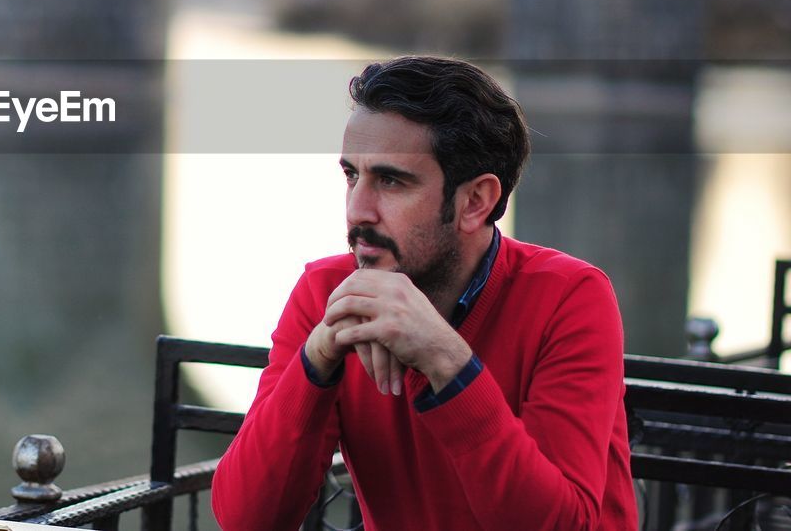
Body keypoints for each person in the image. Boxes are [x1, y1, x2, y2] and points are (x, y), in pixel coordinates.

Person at [211, 56, 636, 531]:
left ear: (475, 201)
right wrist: (317, 358)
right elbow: (246, 521)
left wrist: (446, 362)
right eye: (352, 175)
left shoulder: (570, 297)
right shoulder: (326, 293)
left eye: (391, 181)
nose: (358, 210)